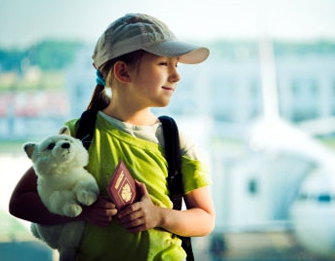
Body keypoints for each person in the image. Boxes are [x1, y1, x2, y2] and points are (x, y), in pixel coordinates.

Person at [9, 13, 215, 261]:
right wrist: (81, 212)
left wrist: (160, 216)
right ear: (123, 72)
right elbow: (20, 202)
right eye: (163, 64)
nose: (176, 75)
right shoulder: (76, 136)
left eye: (176, 65)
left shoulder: (175, 141)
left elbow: (205, 218)